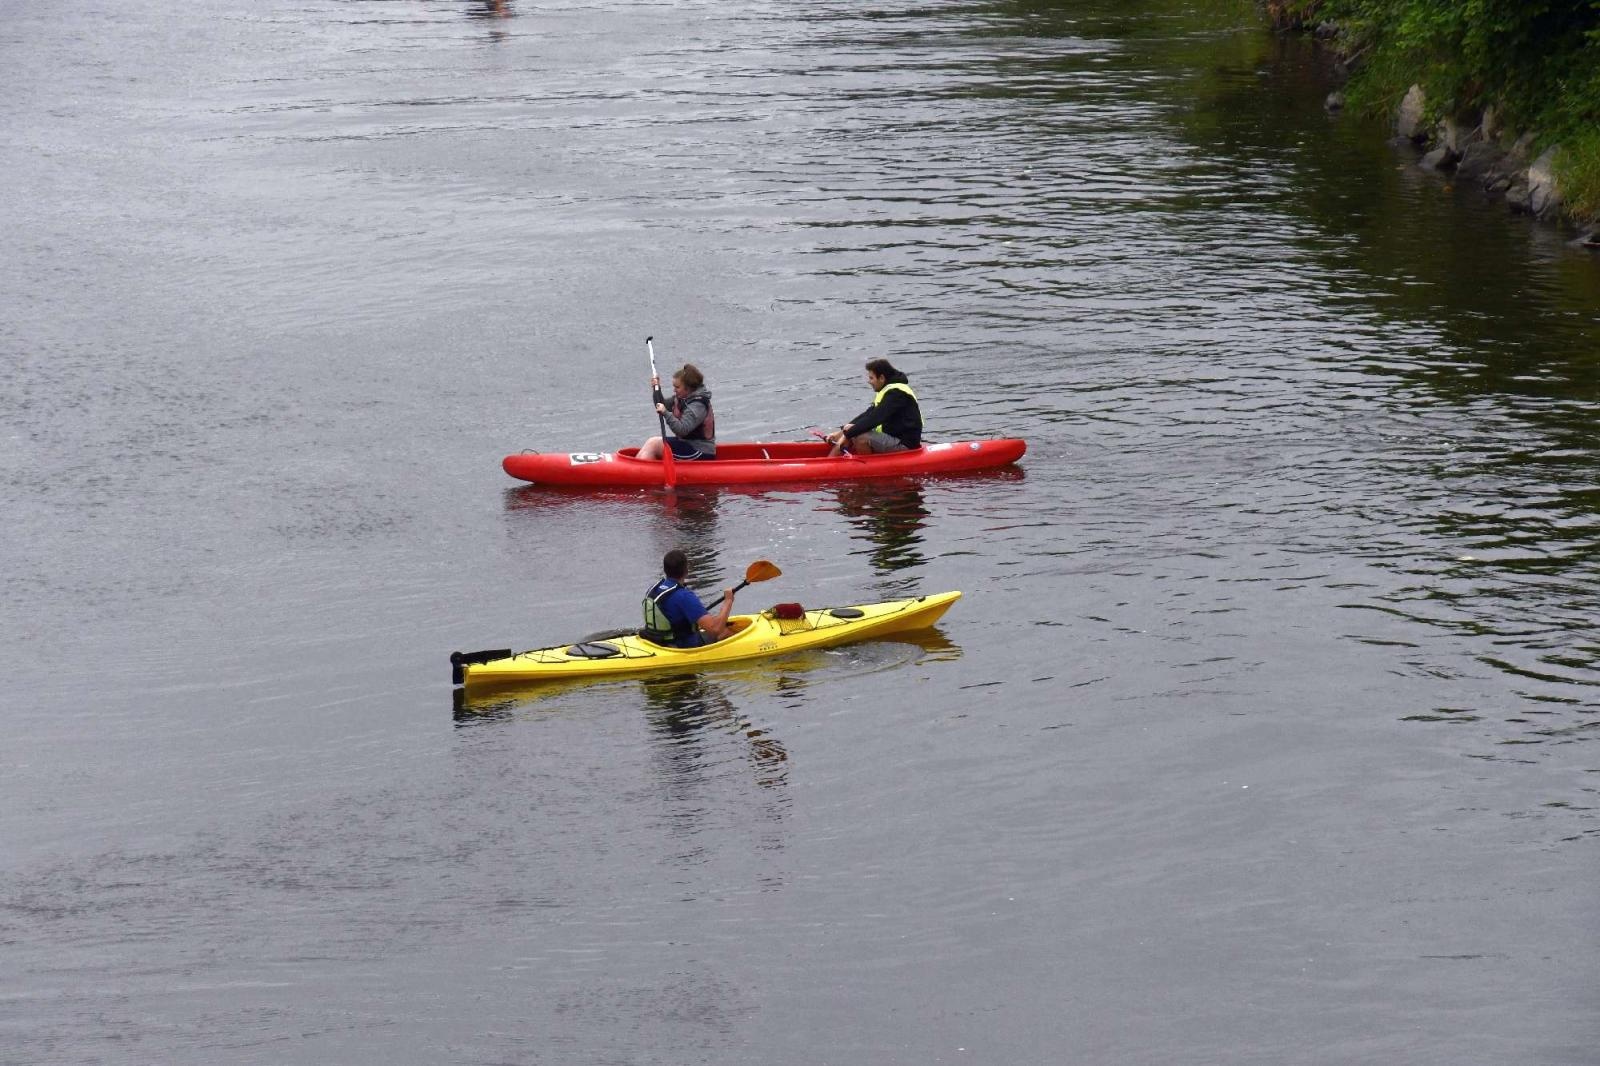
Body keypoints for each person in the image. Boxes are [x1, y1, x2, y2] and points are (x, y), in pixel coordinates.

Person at [825, 358, 921, 456]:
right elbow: (868, 414)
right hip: (892, 437)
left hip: (905, 444)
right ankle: (831, 461)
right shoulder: (888, 390)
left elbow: (874, 419)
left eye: (871, 378)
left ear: (882, 378)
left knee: (860, 436)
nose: (869, 382)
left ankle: (865, 467)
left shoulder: (896, 394)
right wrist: (840, 432)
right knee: (851, 428)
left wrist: (847, 435)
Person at [641, 548, 735, 647]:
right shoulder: (684, 596)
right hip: (682, 646)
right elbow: (715, 629)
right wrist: (728, 601)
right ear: (686, 570)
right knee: (724, 632)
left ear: (665, 570)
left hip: (657, 641)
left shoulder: (654, 589)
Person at [638, 364, 716, 461]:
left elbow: (682, 429)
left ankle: (641, 472)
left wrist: (666, 413)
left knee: (654, 445)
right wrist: (656, 388)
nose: (674, 390)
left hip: (699, 451)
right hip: (686, 444)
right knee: (651, 442)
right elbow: (661, 405)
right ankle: (639, 471)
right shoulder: (682, 398)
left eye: (677, 387)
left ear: (688, 388)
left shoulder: (698, 405)